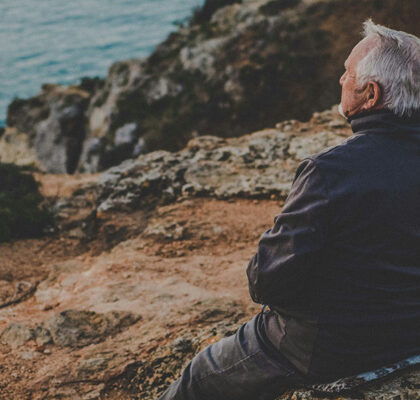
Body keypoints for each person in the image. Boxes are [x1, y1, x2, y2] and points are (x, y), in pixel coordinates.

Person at [159, 19, 420, 400]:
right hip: (411, 333)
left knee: (199, 376)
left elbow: (267, 282)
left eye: (347, 74)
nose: (340, 80)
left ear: (371, 94)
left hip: (326, 348)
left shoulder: (331, 171)